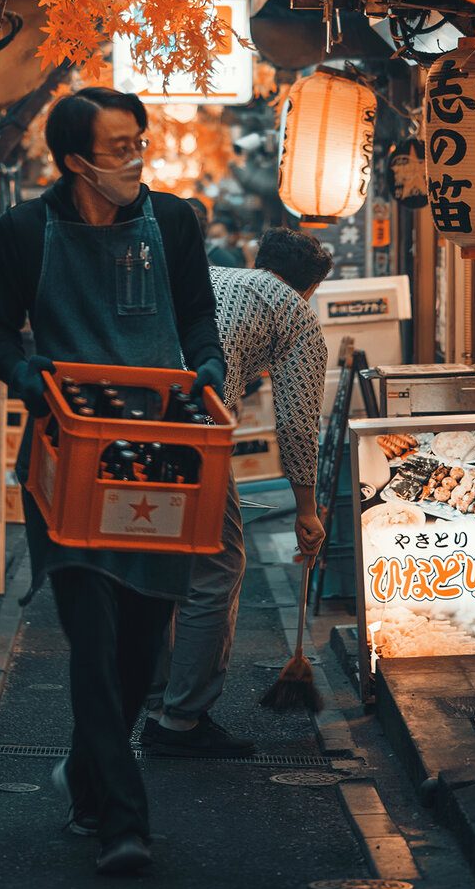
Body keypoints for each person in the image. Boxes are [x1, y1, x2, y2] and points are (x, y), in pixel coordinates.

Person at [0, 87, 224, 878]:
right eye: (119, 146)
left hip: (158, 453)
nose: (136, 156)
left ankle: (88, 780)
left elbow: (196, 318)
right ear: (76, 159)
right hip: (71, 453)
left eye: (138, 140)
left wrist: (209, 364)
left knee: (141, 646)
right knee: (92, 638)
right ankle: (125, 821)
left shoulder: (177, 223)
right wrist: (22, 373)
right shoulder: (23, 229)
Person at [142, 222, 332, 757]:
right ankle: (180, 719)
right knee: (217, 566)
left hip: (134, 417)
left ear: (258, 258)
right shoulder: (293, 310)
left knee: (160, 560)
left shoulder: (211, 274)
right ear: (308, 287)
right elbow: (296, 420)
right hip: (195, 428)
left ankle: (157, 697)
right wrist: (306, 510)